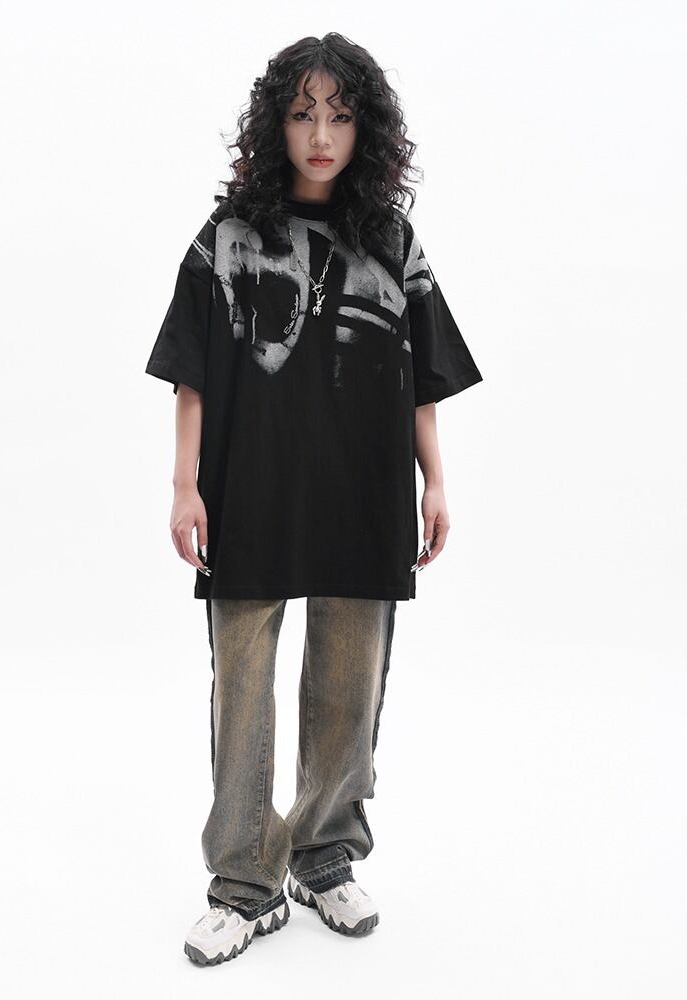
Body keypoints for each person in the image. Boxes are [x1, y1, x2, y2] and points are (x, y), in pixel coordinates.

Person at [145, 32, 483, 966]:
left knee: (349, 683)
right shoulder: (229, 237)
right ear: (276, 124)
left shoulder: (392, 241)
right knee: (242, 687)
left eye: (339, 116)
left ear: (366, 128)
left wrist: (436, 479)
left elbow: (422, 378)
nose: (321, 135)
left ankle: (324, 854)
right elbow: (191, 372)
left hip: (363, 490)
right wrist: (184, 485)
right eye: (302, 114)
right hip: (248, 486)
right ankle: (244, 882)